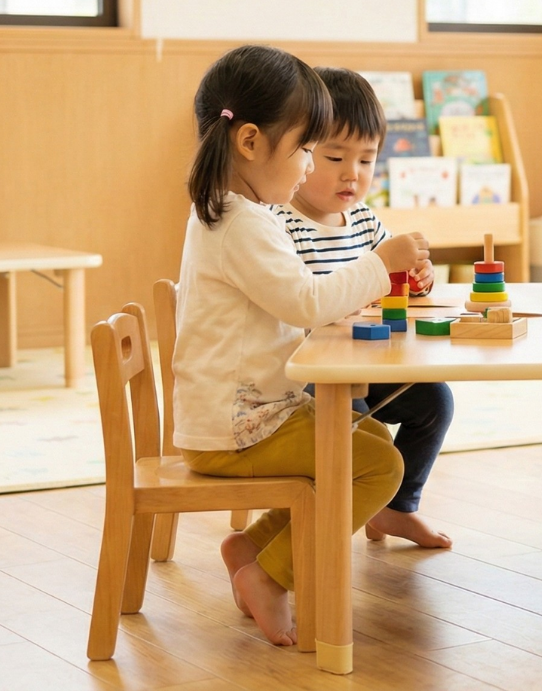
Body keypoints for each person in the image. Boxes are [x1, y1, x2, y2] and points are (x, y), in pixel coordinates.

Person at [170, 45, 428, 646]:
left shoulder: (243, 212)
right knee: (379, 463)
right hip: (237, 427)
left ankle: (253, 544)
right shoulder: (241, 224)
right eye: (306, 150)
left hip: (251, 412)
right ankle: (271, 576)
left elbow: (300, 300)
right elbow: (306, 302)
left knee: (363, 436)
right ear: (251, 143)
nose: (311, 168)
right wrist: (378, 262)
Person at [278, 66, 453, 549]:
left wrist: (418, 277)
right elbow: (301, 301)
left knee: (434, 401)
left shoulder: (362, 219)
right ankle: (329, 523)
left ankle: (395, 508)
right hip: (308, 374)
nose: (351, 174)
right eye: (335, 156)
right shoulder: (280, 223)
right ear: (301, 150)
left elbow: (389, 274)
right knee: (352, 420)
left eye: (367, 159)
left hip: (365, 358)